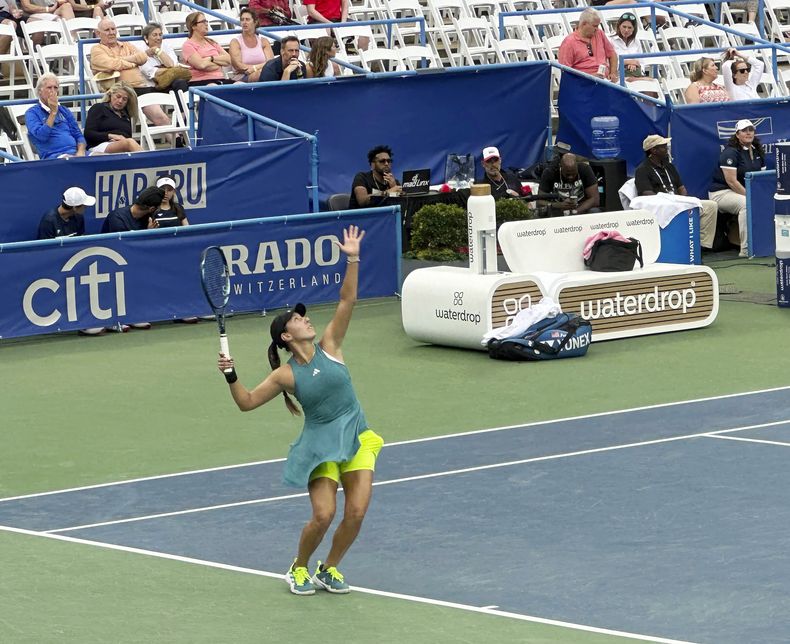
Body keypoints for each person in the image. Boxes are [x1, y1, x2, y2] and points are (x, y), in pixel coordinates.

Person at [216, 225, 383, 596]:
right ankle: (300, 565)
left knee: (355, 513)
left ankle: (331, 567)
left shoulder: (331, 345)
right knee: (324, 515)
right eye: (297, 318)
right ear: (286, 337)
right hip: (319, 446)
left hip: (356, 437)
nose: (305, 319)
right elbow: (246, 403)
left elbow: (347, 301)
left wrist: (352, 257)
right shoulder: (286, 375)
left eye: (303, 316)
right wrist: (231, 375)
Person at [634, 134, 718, 251]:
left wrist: (683, 201)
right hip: (661, 207)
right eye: (663, 147)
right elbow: (647, 194)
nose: (667, 149)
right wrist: (670, 202)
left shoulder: (669, 167)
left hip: (678, 203)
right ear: (654, 150)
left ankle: (702, 247)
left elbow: (681, 188)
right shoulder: (642, 170)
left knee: (710, 206)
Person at [91, 18, 172, 133]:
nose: (112, 32)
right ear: (98, 33)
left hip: (141, 88)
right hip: (117, 92)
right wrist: (133, 62)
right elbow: (111, 64)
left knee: (161, 117)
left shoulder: (127, 45)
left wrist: (121, 61)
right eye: (107, 30)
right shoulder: (96, 50)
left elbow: (143, 57)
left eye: (113, 29)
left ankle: (178, 143)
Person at [708, 119, 766, 257]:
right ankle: (746, 250)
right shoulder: (731, 152)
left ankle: (765, 243)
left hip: (745, 192)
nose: (748, 133)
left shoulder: (757, 151)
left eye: (751, 130)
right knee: (747, 205)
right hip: (721, 193)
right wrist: (752, 197)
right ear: (737, 134)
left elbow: (762, 179)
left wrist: (762, 196)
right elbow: (731, 181)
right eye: (744, 130)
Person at [26, 73, 87, 159]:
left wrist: (81, 152)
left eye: (55, 87)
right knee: (72, 161)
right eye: (49, 87)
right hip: (53, 156)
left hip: (75, 153)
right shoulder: (32, 113)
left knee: (102, 157)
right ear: (40, 91)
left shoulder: (64, 110)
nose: (53, 91)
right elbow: (41, 136)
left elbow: (78, 135)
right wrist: (53, 113)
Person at [557, 8, 618, 83]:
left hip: (605, 81)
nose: (597, 29)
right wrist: (589, 78)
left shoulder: (599, 33)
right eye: (594, 26)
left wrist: (613, 73)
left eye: (598, 26)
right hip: (583, 84)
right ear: (584, 24)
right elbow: (565, 72)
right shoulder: (569, 43)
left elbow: (612, 54)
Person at [83, 82, 142, 154]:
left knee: (129, 142)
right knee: (130, 142)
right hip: (99, 145)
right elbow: (88, 133)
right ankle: (150, 161)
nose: (120, 101)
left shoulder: (125, 115)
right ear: (111, 94)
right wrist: (111, 136)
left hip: (120, 145)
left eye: (124, 99)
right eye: (118, 96)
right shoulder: (99, 108)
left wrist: (119, 141)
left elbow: (127, 136)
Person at [182, 11, 234, 86]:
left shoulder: (211, 42)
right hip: (201, 81)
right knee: (213, 87)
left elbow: (228, 59)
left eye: (206, 21)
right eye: (202, 22)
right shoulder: (188, 45)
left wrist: (211, 59)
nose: (206, 24)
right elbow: (201, 65)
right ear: (193, 26)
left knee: (241, 85)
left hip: (220, 79)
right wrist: (219, 63)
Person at [138, 22, 191, 95]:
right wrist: (171, 70)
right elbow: (149, 72)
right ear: (146, 37)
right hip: (152, 85)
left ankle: (185, 106)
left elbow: (172, 64)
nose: (158, 38)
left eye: (160, 34)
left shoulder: (166, 46)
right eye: (154, 35)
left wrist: (157, 51)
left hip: (170, 82)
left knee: (181, 83)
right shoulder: (140, 50)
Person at [229, 7, 274, 83]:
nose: (244, 22)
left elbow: (271, 63)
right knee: (262, 74)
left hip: (262, 73)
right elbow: (239, 66)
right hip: (242, 78)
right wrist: (260, 68)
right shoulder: (235, 42)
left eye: (247, 19)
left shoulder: (264, 41)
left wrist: (255, 68)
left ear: (255, 22)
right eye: (242, 20)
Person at [610, 12, 642, 80]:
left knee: (652, 82)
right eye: (624, 27)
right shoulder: (611, 40)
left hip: (635, 75)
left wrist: (634, 64)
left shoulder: (637, 42)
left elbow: (641, 62)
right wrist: (628, 62)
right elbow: (609, 63)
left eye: (629, 27)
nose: (626, 30)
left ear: (634, 29)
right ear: (619, 26)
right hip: (618, 76)